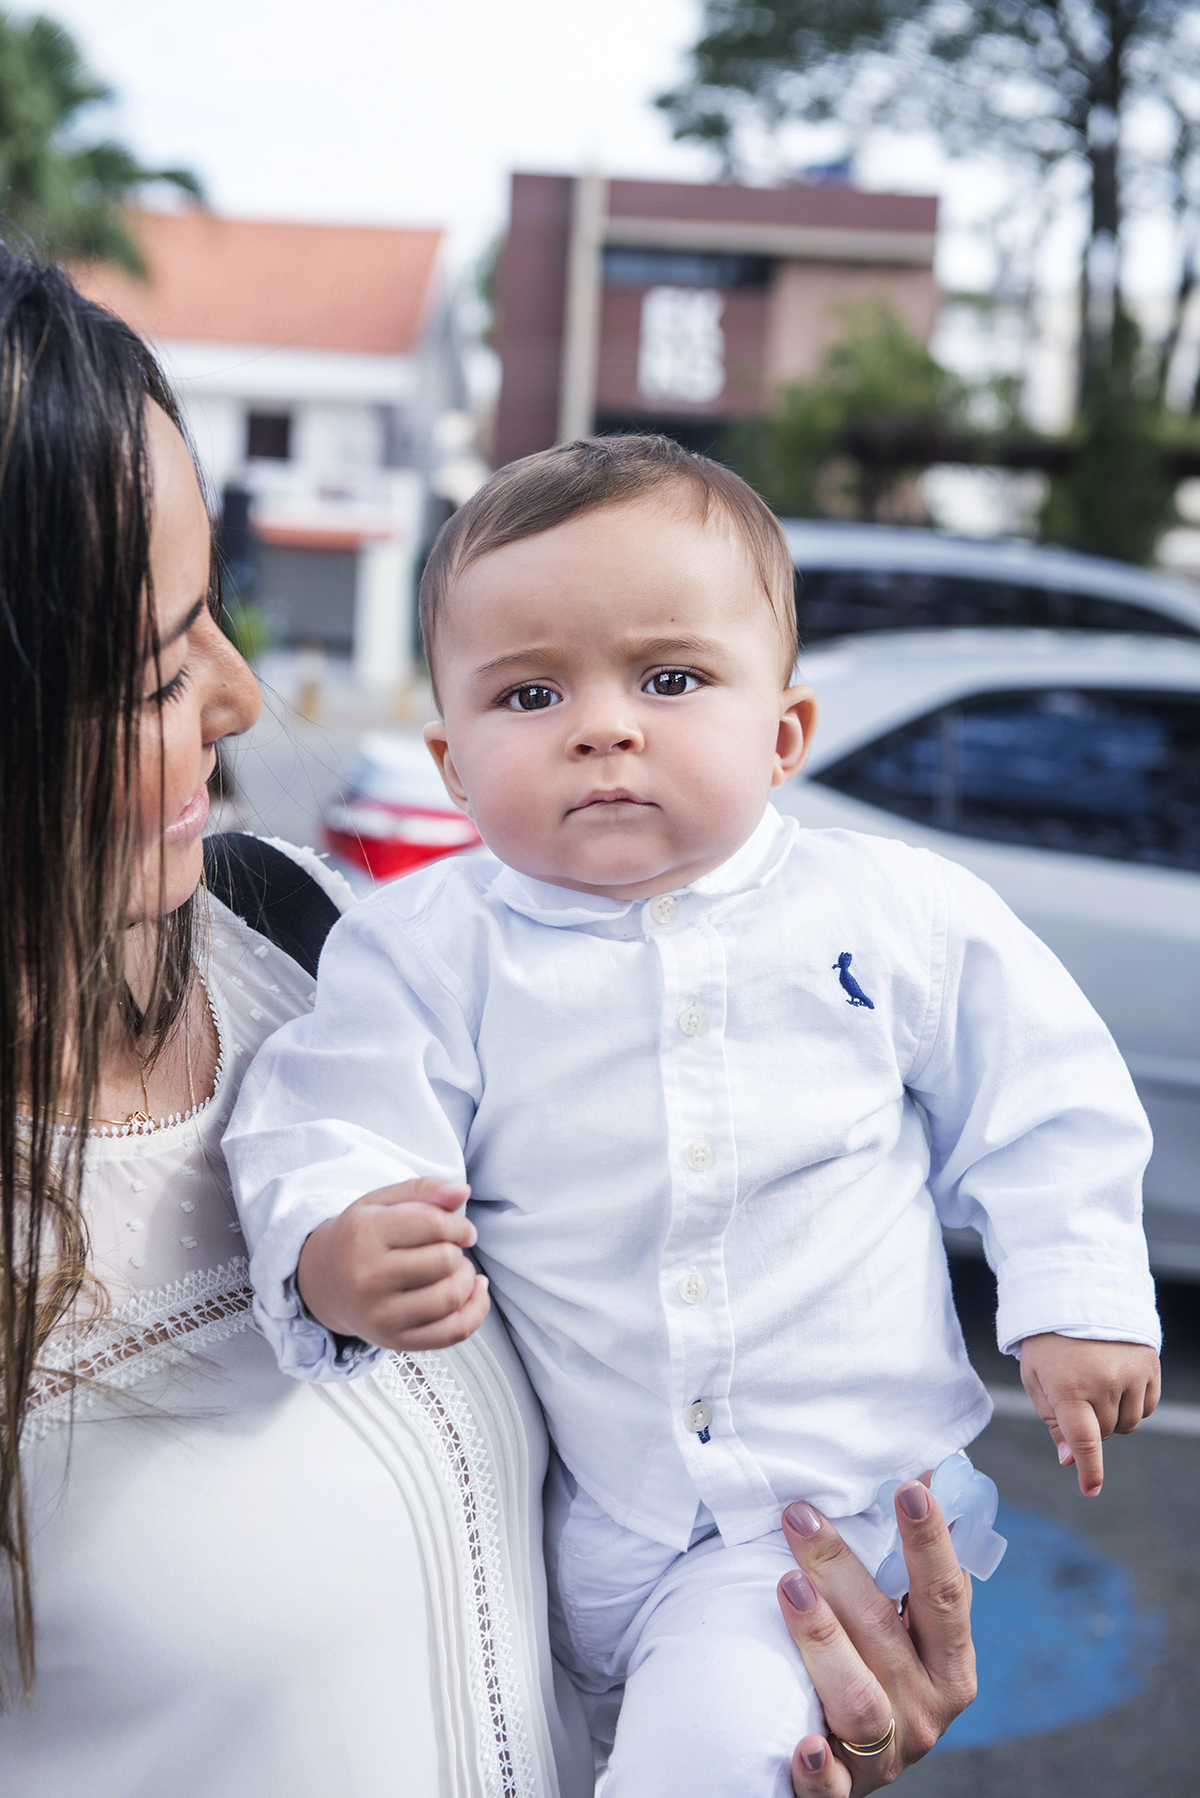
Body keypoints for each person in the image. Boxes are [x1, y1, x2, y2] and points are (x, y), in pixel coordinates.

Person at [0, 257, 977, 1798]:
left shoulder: (330, 955)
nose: (245, 699)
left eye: (218, 617)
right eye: (153, 666)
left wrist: (768, 1689)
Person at [228, 434, 1162, 1797]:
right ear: (452, 760)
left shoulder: (896, 910)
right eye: (531, 690)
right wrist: (331, 1243)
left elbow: (1046, 1096)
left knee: (711, 1758)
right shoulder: (427, 948)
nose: (604, 723)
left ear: (783, 732)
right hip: (594, 1534)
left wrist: (1076, 1294)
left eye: (670, 678)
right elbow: (329, 1119)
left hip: (838, 1505)